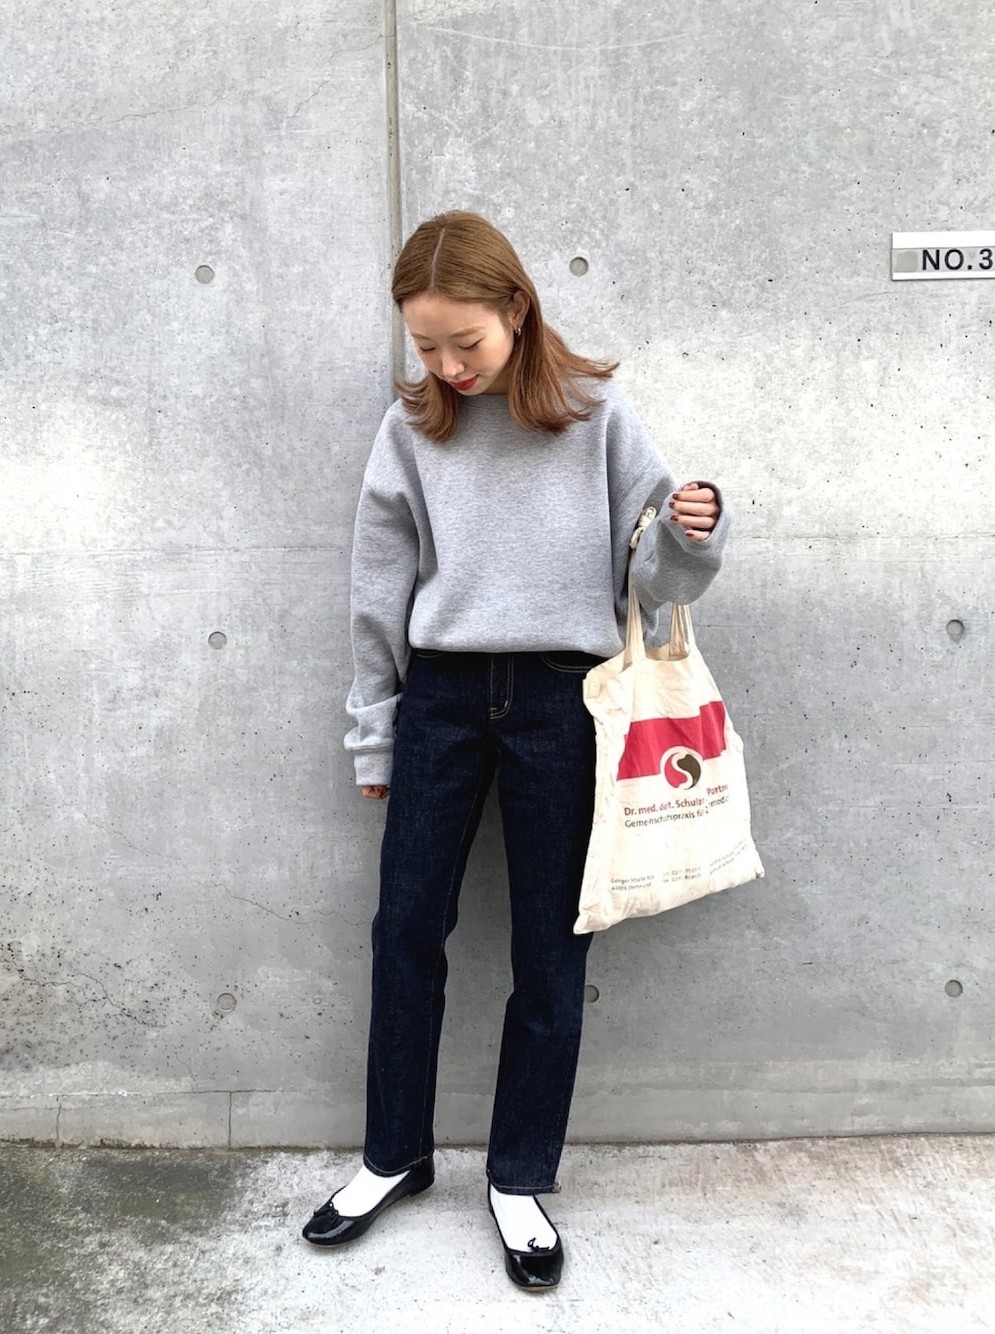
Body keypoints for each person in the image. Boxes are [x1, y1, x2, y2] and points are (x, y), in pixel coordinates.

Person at [302, 211, 728, 1290]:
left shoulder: (594, 415)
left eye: (466, 343)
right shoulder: (413, 426)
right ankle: (393, 1155)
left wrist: (695, 530)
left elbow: (655, 581)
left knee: (550, 948)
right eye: (426, 346)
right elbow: (376, 587)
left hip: (562, 698)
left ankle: (519, 1176)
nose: (448, 366)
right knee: (406, 928)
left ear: (516, 310)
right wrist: (375, 728)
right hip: (441, 697)